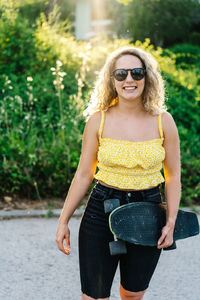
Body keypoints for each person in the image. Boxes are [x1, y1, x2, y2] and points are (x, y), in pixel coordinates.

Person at [55, 46, 181, 300]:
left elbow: (174, 175)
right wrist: (63, 221)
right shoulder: (97, 121)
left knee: (133, 294)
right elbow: (83, 175)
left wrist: (171, 222)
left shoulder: (163, 121)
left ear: (147, 77)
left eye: (136, 72)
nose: (129, 80)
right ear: (111, 80)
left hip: (148, 210)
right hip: (101, 210)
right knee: (94, 297)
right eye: (121, 74)